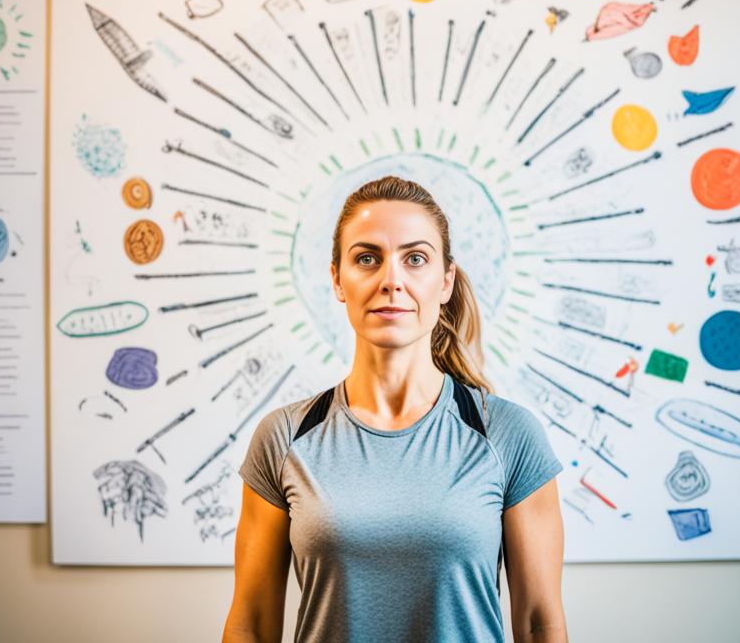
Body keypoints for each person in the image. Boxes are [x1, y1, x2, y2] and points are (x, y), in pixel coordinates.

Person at [223, 176, 567, 643]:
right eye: (367, 258)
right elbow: (252, 623)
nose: (391, 280)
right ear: (337, 280)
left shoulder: (509, 435)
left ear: (445, 281)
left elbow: (539, 623)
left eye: (416, 259)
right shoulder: (283, 437)